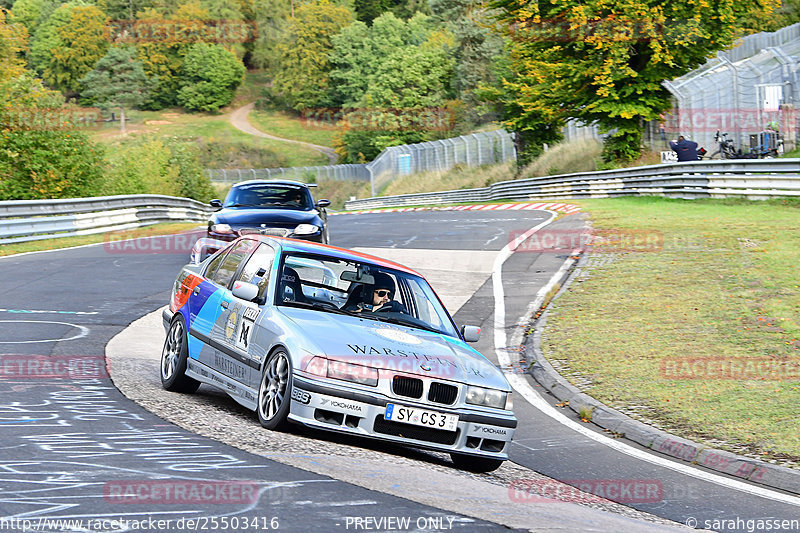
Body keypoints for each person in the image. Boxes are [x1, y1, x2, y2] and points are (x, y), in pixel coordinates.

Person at [344, 271, 408, 314]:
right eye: (381, 293)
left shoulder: (393, 310)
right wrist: (376, 309)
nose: (386, 298)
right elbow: (349, 313)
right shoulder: (356, 306)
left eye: (389, 294)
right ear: (370, 293)